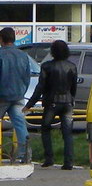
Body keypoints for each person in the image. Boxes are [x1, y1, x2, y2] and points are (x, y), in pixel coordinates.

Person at [23, 39, 77, 169]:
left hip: (51, 103)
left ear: (52, 52)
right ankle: (68, 162)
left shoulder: (47, 66)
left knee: (45, 129)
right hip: (68, 102)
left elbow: (40, 87)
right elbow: (73, 87)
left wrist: (29, 105)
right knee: (67, 133)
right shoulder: (72, 66)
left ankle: (49, 158)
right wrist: (72, 99)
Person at [0, 26, 32, 164]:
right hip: (18, 95)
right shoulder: (23, 55)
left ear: (1, 39)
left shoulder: (1, 55)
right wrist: (22, 91)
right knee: (20, 124)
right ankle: (24, 154)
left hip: (2, 96)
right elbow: (27, 76)